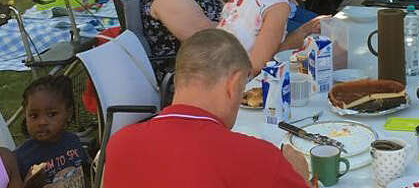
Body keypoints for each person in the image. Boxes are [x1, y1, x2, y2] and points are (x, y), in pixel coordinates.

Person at [103, 29, 310, 188]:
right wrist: (300, 176)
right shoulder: (260, 159)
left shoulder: (120, 144)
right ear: (234, 84)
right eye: (241, 90)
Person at [15, 76, 88, 188]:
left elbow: (86, 171)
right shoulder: (20, 158)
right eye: (34, 116)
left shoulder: (73, 141)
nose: (42, 122)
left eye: (52, 114)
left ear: (68, 113)